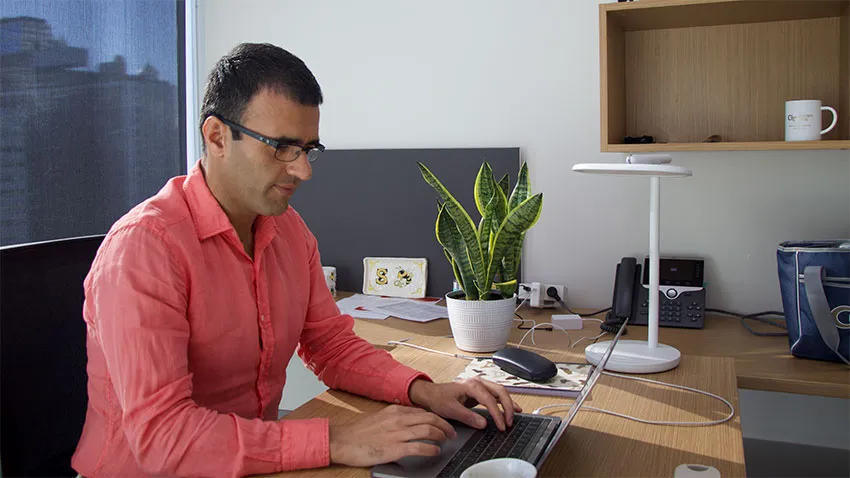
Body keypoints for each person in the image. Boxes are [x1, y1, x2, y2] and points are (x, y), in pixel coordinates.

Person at [71, 42, 521, 477]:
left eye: (308, 150)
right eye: (282, 147)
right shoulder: (143, 250)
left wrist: (424, 390)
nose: (303, 170)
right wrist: (335, 441)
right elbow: (163, 437)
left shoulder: (288, 230)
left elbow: (330, 346)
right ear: (217, 136)